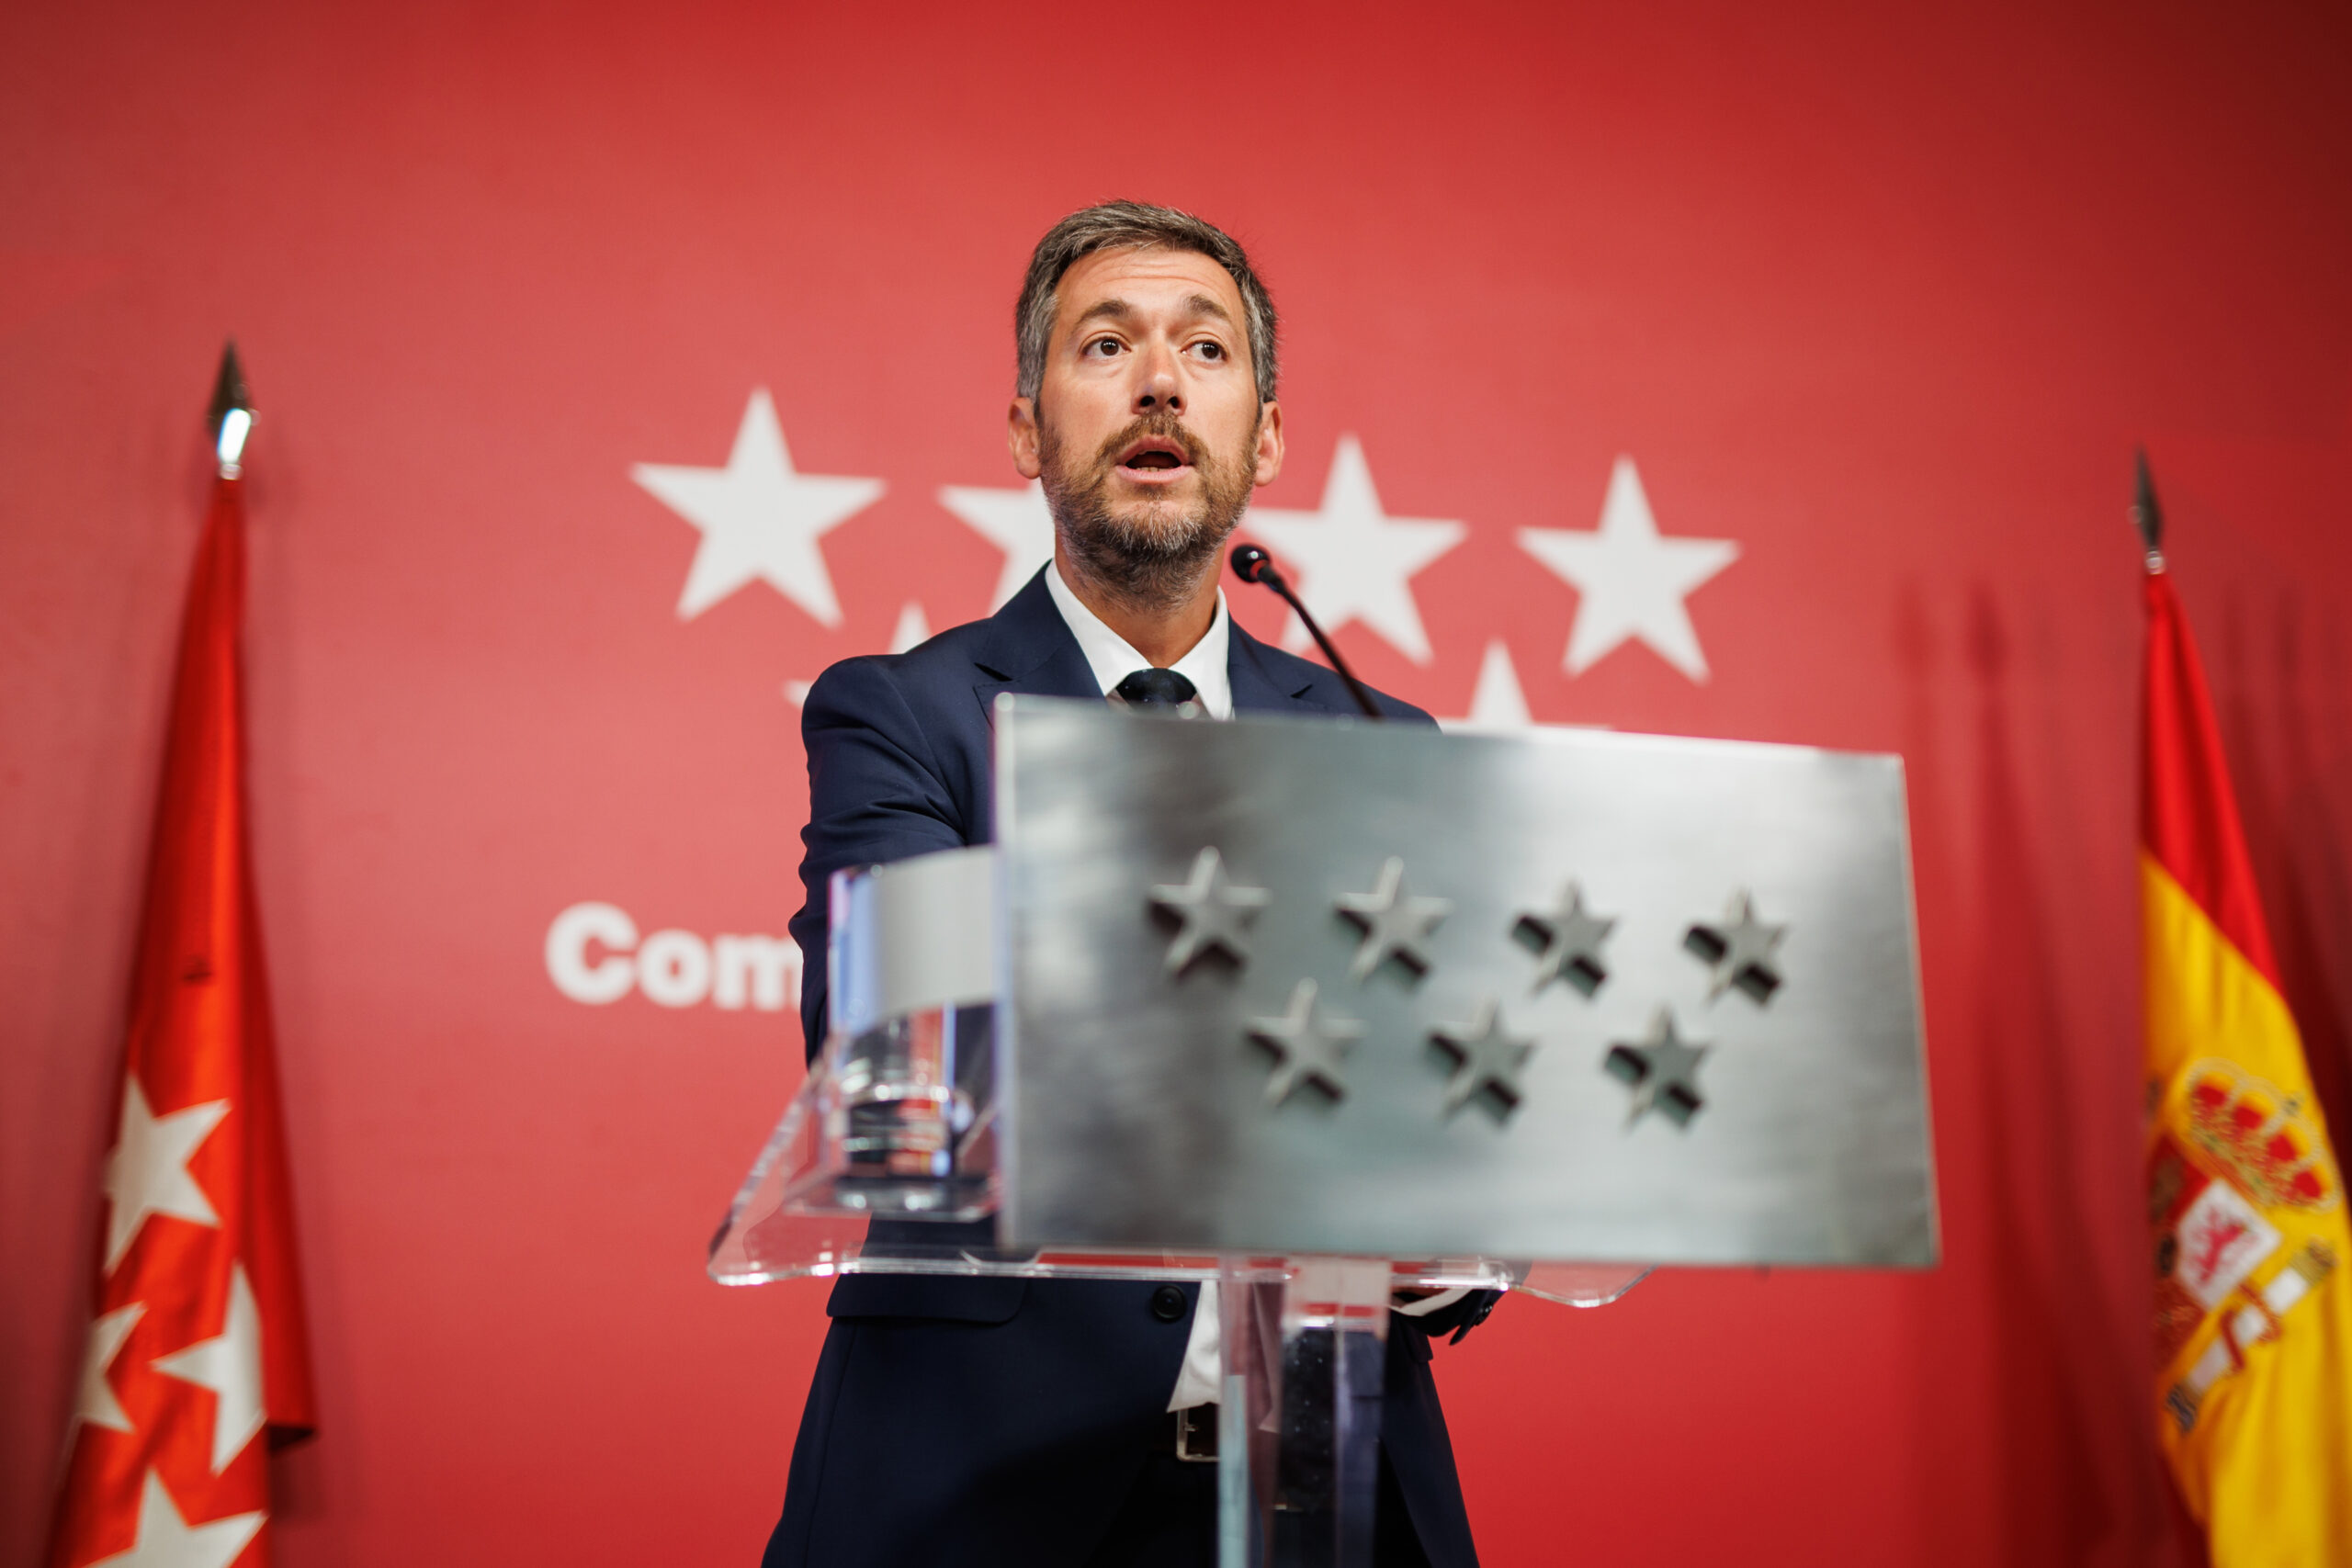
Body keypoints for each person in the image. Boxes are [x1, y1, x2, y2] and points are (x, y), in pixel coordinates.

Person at [764, 201, 1491, 1568]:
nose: (1160, 380)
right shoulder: (906, 715)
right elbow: (906, 1057)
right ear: (1027, 432)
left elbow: (1453, 1108)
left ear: (1264, 439)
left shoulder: (1380, 741)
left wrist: (1452, 1218)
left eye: (1206, 350)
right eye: (1106, 345)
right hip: (986, 1488)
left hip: (1318, 1487)